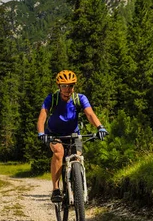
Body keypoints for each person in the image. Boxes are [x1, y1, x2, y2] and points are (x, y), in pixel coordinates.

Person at [36, 70, 108, 202]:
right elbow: (42, 117)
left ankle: (78, 189)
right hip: (54, 134)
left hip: (73, 134)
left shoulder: (80, 98)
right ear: (59, 86)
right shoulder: (52, 98)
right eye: (64, 86)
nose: (67, 89)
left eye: (70, 85)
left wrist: (100, 127)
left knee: (77, 157)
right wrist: (41, 133)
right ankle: (56, 189)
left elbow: (90, 114)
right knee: (58, 152)